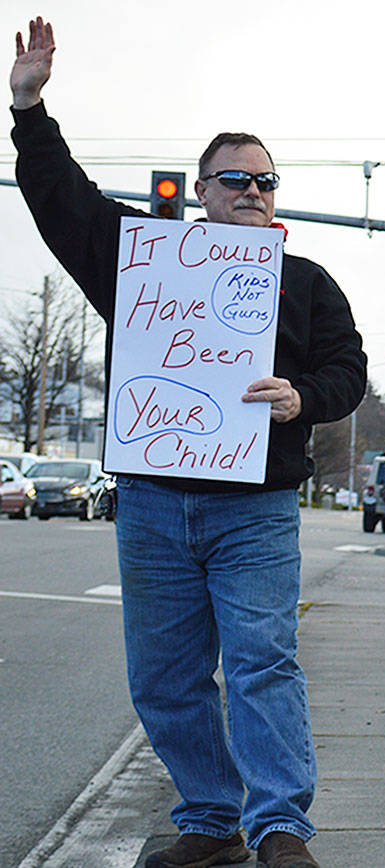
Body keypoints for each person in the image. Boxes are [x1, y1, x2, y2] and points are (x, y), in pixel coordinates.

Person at [10, 18, 365, 868]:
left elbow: (348, 372)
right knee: (164, 679)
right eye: (236, 177)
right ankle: (211, 821)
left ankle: (281, 827)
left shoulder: (306, 282)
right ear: (199, 190)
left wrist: (301, 398)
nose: (254, 189)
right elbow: (63, 200)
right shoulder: (140, 258)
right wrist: (28, 107)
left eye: (267, 180)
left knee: (259, 667)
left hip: (258, 509)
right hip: (156, 503)